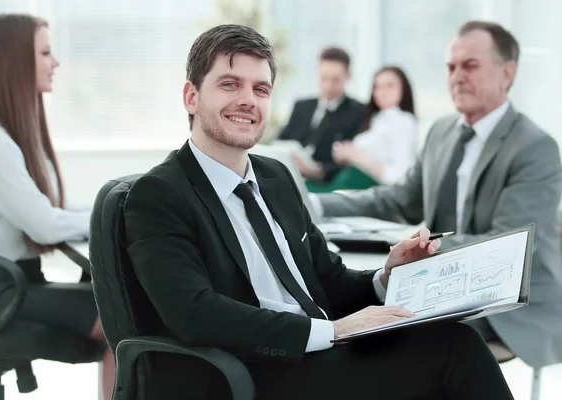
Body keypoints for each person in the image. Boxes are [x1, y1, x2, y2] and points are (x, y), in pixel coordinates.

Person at [124, 24, 513, 399]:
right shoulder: (159, 194)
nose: (248, 100)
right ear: (191, 97)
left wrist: (384, 276)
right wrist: (333, 332)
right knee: (453, 354)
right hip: (256, 372)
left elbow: (326, 278)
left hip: (321, 356)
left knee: (454, 337)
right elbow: (194, 313)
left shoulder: (275, 177)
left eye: (261, 89)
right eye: (230, 84)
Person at [314, 20, 562, 369]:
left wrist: (426, 257)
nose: (456, 76)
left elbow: (509, 245)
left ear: (507, 73)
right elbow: (396, 201)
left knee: (406, 341)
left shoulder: (536, 148)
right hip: (444, 283)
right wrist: (313, 203)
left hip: (516, 302)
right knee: (353, 317)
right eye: (450, 66)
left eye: (470, 65)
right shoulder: (441, 132)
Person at [0, 14, 113, 398]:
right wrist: (109, 216)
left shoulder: (4, 135)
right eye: (46, 52)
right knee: (122, 317)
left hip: (13, 281)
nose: (55, 62)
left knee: (121, 303)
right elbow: (45, 225)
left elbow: (53, 207)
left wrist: (111, 207)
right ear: (14, 60)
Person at [313, 65, 417, 192]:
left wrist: (356, 156)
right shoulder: (377, 120)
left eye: (389, 85)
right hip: (344, 181)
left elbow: (400, 177)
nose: (382, 92)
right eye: (377, 86)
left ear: (404, 89)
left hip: (360, 189)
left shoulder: (403, 120)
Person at [277, 47, 366, 187]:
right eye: (324, 78)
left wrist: (321, 171)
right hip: (290, 175)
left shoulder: (359, 112)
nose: (328, 86)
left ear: (348, 76)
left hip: (325, 183)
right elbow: (280, 141)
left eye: (336, 79)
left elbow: (356, 159)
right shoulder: (301, 106)